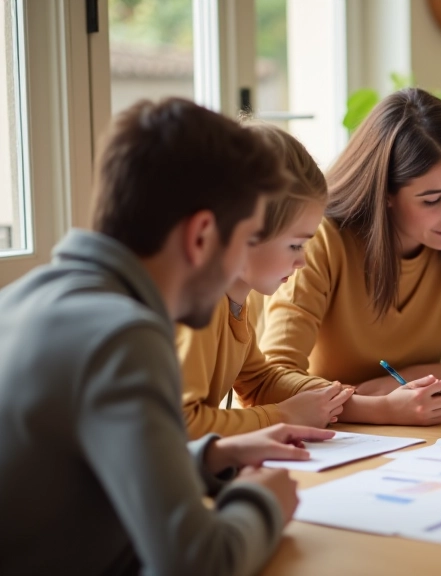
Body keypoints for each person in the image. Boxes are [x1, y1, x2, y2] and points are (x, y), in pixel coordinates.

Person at [0, 98, 330, 574]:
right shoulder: (122, 337)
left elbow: (81, 478)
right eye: (243, 241)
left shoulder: (27, 298)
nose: (240, 265)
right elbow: (198, 563)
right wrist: (263, 504)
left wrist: (207, 456)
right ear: (200, 237)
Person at [261, 88, 441, 419]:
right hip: (327, 433)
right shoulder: (320, 238)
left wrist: (418, 384)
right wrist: (380, 405)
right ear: (384, 194)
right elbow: (273, 378)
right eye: (432, 199)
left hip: (401, 429)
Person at [177, 121, 355, 439]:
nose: (301, 260)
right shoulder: (197, 304)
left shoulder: (233, 298)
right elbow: (183, 425)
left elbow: (260, 382)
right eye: (295, 245)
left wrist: (361, 402)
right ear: (243, 231)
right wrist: (283, 416)